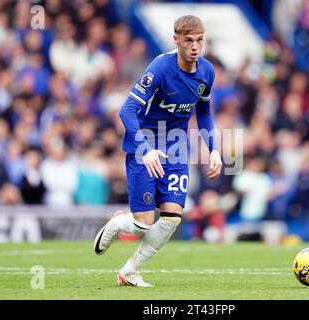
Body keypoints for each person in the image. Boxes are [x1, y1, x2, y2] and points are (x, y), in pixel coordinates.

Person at [94, 15, 222, 287]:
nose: (195, 47)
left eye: (199, 40)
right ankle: (119, 223)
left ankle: (129, 271)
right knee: (142, 224)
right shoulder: (159, 69)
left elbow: (204, 113)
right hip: (146, 144)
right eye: (188, 40)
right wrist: (145, 149)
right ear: (176, 40)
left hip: (176, 147)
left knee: (173, 216)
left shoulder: (207, 71)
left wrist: (213, 150)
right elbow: (127, 110)